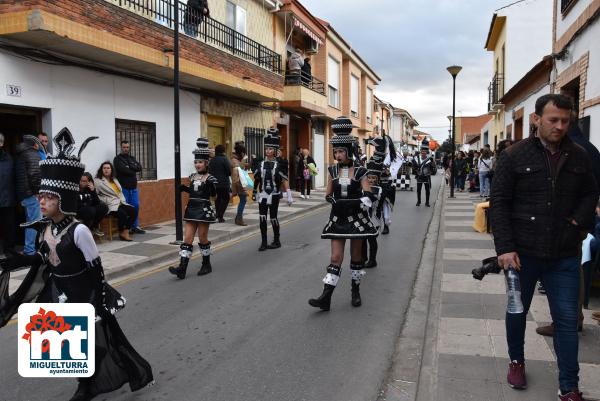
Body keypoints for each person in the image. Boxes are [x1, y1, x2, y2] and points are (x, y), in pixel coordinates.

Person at [0, 128, 153, 401]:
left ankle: (87, 386)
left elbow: (96, 269)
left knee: (86, 341)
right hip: (59, 291)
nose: (41, 201)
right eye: (41, 196)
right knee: (63, 343)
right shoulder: (46, 229)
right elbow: (42, 259)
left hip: (83, 292)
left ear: (62, 200)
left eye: (48, 197)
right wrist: (15, 261)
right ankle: (87, 375)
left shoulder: (80, 231)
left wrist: (97, 299)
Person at [490, 94, 598, 401]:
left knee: (566, 320)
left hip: (564, 255)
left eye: (566, 121)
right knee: (517, 311)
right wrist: (505, 248)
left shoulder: (579, 156)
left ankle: (569, 385)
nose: (560, 126)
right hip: (521, 255)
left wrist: (578, 224)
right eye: (554, 120)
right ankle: (516, 361)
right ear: (537, 119)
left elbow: (591, 194)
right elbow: (499, 203)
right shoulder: (514, 156)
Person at [308, 116, 378, 311]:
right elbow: (328, 195)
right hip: (338, 219)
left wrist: (353, 203)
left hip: (357, 220)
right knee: (335, 258)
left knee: (356, 258)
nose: (337, 155)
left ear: (349, 152)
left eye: (341, 151)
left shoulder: (361, 171)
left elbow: (369, 196)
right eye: (336, 151)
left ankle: (355, 291)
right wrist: (335, 202)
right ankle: (325, 297)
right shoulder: (332, 170)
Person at [169, 138, 217, 279]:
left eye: (200, 162)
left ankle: (206, 264)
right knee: (188, 238)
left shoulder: (211, 178)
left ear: (206, 163)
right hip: (191, 209)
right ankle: (182, 269)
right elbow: (194, 191)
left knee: (202, 238)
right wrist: (185, 189)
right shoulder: (192, 176)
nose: (197, 164)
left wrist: (211, 189)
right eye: (196, 162)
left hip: (204, 209)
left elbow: (213, 196)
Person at [252, 127, 293, 251]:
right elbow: (257, 179)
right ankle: (264, 242)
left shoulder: (280, 164)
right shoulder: (261, 164)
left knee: (273, 217)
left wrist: (289, 195)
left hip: (274, 194)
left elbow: (285, 180)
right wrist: (254, 191)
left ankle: (276, 240)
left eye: (270, 149)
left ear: (275, 151)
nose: (267, 151)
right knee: (262, 217)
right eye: (266, 148)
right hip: (263, 194)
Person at [95, 162, 137, 242]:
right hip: (110, 205)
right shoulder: (98, 181)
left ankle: (126, 231)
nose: (106, 170)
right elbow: (96, 195)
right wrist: (105, 200)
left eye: (108, 168)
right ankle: (121, 232)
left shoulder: (114, 179)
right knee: (122, 214)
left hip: (120, 202)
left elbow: (119, 192)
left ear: (111, 170)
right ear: (101, 170)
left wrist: (123, 201)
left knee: (133, 211)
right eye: (104, 168)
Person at [15, 135, 42, 255]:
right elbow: (35, 174)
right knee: (34, 222)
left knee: (30, 221)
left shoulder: (21, 153)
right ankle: (30, 250)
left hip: (24, 194)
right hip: (32, 194)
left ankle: (30, 248)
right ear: (34, 143)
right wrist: (38, 192)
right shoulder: (33, 154)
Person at [113, 140, 145, 234]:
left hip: (133, 188)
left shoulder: (132, 158)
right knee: (126, 208)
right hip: (124, 188)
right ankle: (127, 228)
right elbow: (123, 170)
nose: (126, 149)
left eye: (127, 147)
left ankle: (135, 226)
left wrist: (129, 166)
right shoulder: (117, 159)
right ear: (121, 147)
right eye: (124, 147)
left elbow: (139, 168)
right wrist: (132, 169)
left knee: (136, 206)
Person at [0, 133, 16, 257]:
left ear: (1, 143)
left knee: (9, 227)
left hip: (7, 200)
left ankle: (9, 250)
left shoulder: (9, 159)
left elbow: (15, 178)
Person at [77, 172, 108, 236]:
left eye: (84, 181)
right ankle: (86, 230)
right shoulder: (75, 189)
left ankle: (94, 227)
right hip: (78, 211)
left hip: (90, 210)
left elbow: (97, 202)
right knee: (91, 210)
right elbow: (77, 205)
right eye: (81, 180)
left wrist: (93, 191)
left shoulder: (89, 189)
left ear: (89, 182)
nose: (81, 183)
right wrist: (87, 205)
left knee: (103, 207)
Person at [208, 144, 231, 223]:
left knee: (217, 199)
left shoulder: (212, 160)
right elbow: (229, 171)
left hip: (214, 183)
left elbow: (209, 172)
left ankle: (218, 215)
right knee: (226, 198)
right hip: (224, 183)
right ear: (223, 151)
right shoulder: (225, 159)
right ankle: (220, 215)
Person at [413, 139, 436, 207]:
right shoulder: (417, 158)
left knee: (427, 190)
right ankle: (418, 201)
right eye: (422, 152)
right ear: (420, 152)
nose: (423, 153)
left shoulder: (429, 159)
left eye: (424, 152)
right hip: (419, 176)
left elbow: (433, 167)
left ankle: (427, 202)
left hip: (426, 176)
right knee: (418, 190)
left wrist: (433, 162)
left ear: (426, 152)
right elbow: (414, 167)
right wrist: (416, 171)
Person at [231, 141, 249, 226]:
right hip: (239, 184)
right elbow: (238, 172)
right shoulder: (235, 161)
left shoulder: (235, 160)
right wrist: (244, 160)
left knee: (243, 200)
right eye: (244, 153)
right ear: (242, 153)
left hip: (239, 183)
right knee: (243, 200)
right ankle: (239, 218)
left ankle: (238, 217)